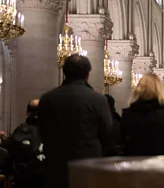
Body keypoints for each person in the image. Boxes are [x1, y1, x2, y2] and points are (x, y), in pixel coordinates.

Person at [39, 55, 112, 188]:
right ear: (88, 74)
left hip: (56, 165)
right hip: (88, 165)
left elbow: (42, 131)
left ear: (64, 71)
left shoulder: (47, 99)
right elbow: (107, 133)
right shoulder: (97, 99)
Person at [122, 73, 164, 156]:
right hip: (159, 165)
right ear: (160, 90)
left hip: (134, 164)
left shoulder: (128, 115)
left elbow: (122, 144)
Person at [5, 100, 44, 188]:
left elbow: (9, 156)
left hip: (22, 179)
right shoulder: (51, 131)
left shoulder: (19, 131)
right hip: (43, 179)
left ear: (28, 113)